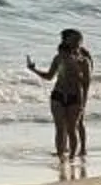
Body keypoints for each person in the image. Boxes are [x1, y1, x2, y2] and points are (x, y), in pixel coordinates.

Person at [27, 28, 93, 168]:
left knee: (72, 128)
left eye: (77, 39)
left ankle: (73, 157)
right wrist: (33, 70)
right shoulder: (58, 58)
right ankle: (61, 157)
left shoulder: (84, 61)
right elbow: (49, 76)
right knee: (59, 128)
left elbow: (86, 84)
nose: (76, 42)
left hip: (75, 96)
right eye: (73, 39)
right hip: (58, 95)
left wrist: (83, 102)